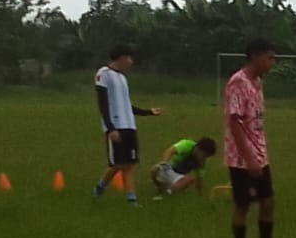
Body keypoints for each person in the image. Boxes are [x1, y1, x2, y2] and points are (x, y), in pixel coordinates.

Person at [223, 39, 277, 238]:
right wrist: (249, 158)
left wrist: (259, 156)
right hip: (241, 158)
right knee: (243, 205)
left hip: (260, 153)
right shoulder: (238, 82)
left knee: (268, 202)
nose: (272, 63)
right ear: (255, 56)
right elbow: (234, 122)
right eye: (269, 58)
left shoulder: (257, 82)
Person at [93, 44, 163, 205]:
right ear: (122, 57)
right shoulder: (104, 74)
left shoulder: (123, 78)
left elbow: (125, 105)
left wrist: (148, 112)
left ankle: (119, 194)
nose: (131, 61)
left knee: (127, 164)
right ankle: (114, 192)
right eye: (130, 58)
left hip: (129, 126)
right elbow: (103, 103)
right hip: (116, 126)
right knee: (120, 164)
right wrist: (110, 128)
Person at [151, 136, 217, 196]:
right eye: (204, 155)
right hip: (168, 169)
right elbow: (169, 151)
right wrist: (165, 164)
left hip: (178, 177)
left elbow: (199, 178)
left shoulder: (201, 162)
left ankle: (168, 191)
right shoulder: (187, 145)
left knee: (189, 179)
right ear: (198, 149)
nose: (204, 158)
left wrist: (200, 194)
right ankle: (160, 186)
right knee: (155, 169)